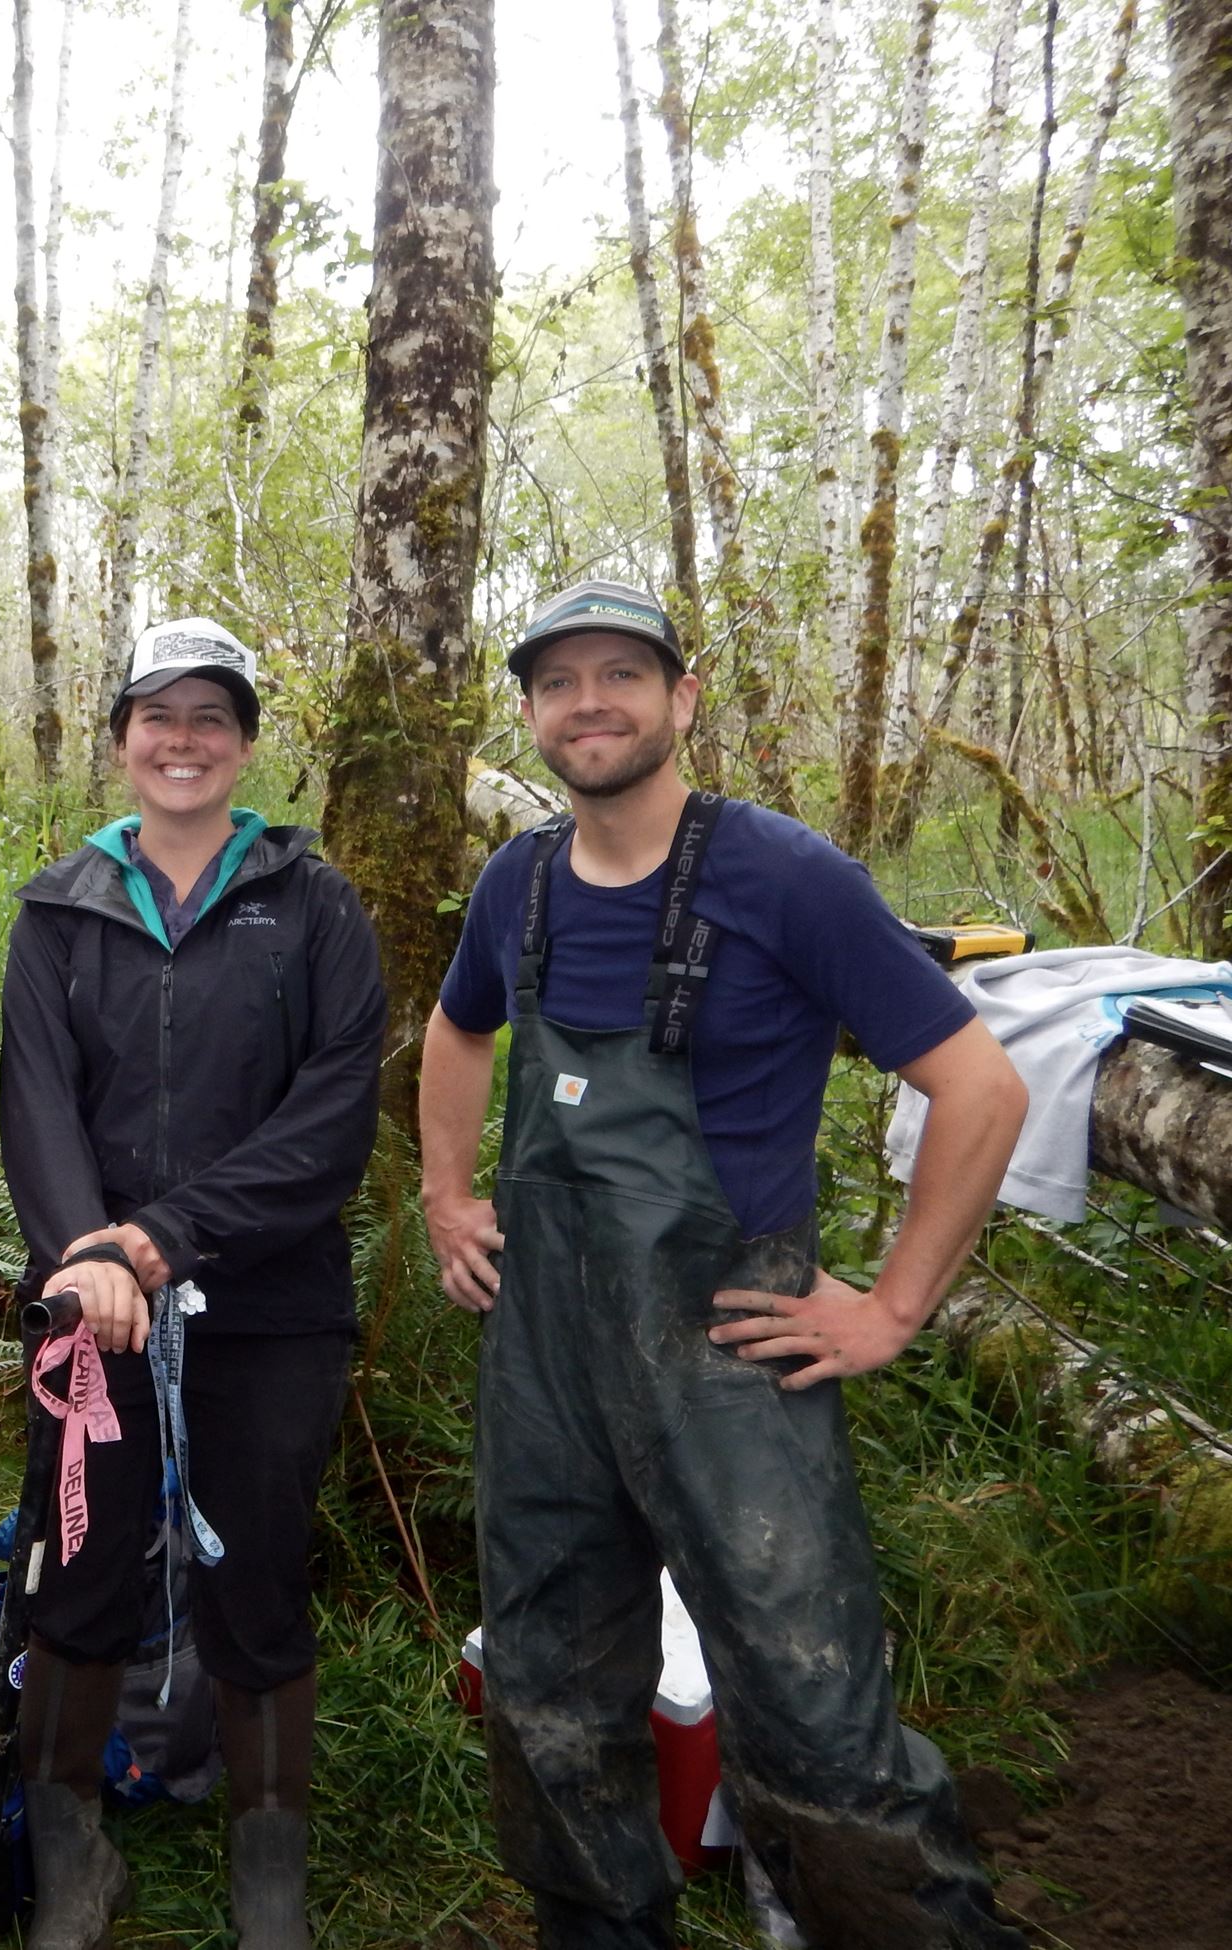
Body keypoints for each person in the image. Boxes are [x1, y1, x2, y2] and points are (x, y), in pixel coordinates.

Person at [418, 579, 1031, 1949]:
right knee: (550, 1696)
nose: (591, 702)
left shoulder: (785, 875)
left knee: (814, 1715)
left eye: (621, 674)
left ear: (682, 699)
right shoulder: (515, 881)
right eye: (559, 680)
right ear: (529, 713)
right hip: (548, 1368)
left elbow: (981, 1090)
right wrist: (447, 1196)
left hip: (734, 1360)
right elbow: (459, 1036)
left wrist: (889, 1307)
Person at [0, 618, 387, 1950]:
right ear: (118, 739)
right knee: (79, 1567)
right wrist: (89, 1257)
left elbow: (332, 1117)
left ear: (244, 743)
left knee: (260, 1571)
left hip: (269, 1308)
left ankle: (266, 1874)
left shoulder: (314, 900)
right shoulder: (59, 907)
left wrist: (158, 1239)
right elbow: (37, 1104)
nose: (181, 739)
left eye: (209, 716)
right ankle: (70, 1861)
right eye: (156, 715)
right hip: (89, 1310)